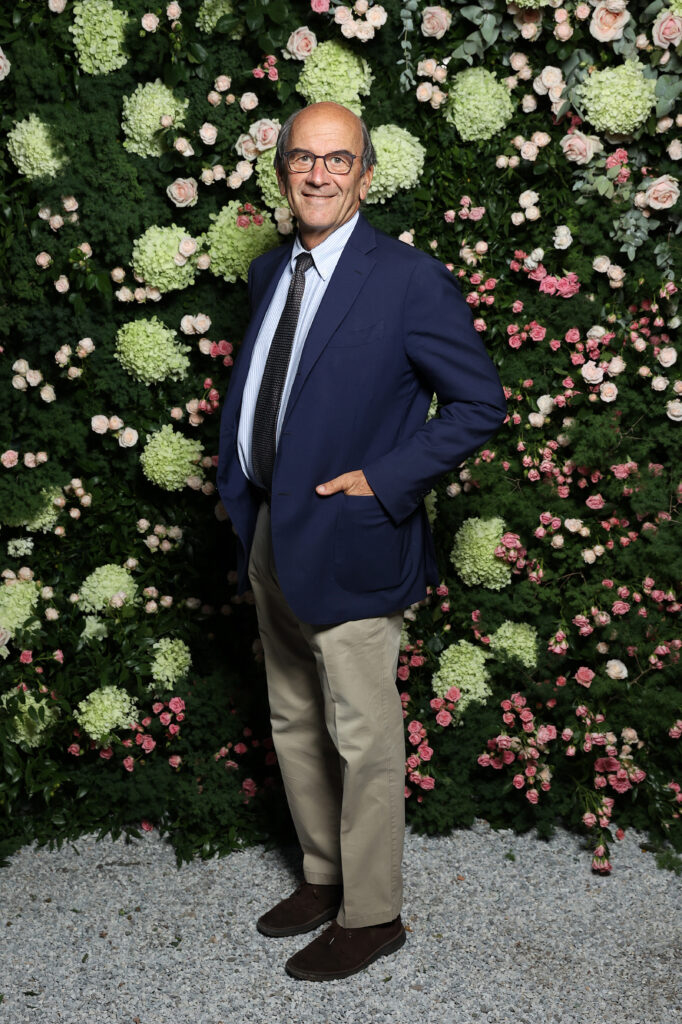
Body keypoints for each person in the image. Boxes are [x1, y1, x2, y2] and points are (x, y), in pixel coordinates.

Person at [216, 101, 507, 982]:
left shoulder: (409, 280)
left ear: (367, 176)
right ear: (282, 173)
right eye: (303, 158)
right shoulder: (270, 270)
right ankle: (323, 874)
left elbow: (479, 404)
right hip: (270, 527)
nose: (318, 174)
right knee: (293, 715)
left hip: (353, 538)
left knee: (363, 736)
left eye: (338, 160)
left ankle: (372, 914)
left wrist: (383, 480)